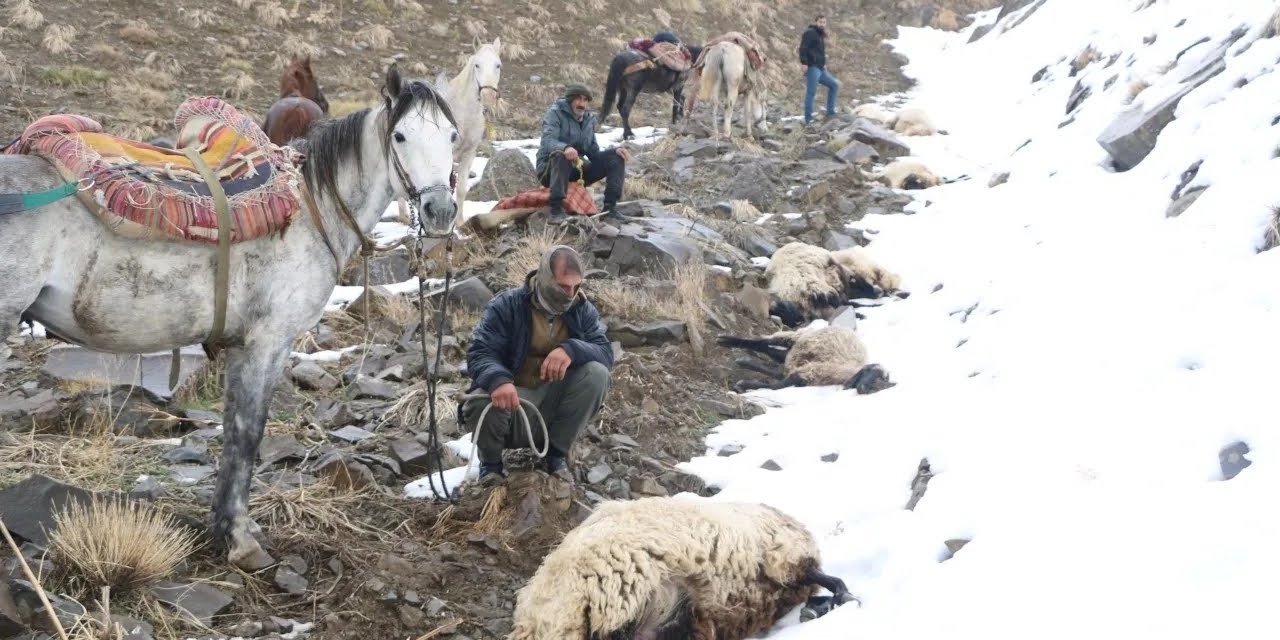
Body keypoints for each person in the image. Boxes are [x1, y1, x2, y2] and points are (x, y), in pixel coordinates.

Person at [462, 245, 615, 482]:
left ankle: (556, 456)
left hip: (553, 405)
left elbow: (605, 352)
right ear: (544, 277)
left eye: (576, 287)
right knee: (481, 400)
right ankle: (491, 465)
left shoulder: (582, 310)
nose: (570, 294)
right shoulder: (507, 306)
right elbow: (480, 351)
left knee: (597, 374)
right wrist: (498, 381)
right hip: (511, 404)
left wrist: (571, 349)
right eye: (563, 286)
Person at [535, 84, 632, 223]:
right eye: (578, 99)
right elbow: (548, 140)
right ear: (570, 100)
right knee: (561, 155)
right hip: (551, 169)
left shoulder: (588, 119)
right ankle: (555, 211)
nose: (582, 104)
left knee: (616, 157)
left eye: (585, 100)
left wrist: (613, 151)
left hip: (577, 170)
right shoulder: (554, 113)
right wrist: (565, 148)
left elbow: (593, 152)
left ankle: (610, 209)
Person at [799, 14, 840, 125]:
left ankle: (830, 112)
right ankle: (808, 119)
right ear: (816, 22)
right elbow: (803, 48)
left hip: (820, 68)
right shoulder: (810, 32)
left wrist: (823, 64)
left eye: (824, 22)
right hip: (812, 67)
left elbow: (819, 52)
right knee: (811, 92)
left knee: (834, 85)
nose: (822, 24)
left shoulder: (820, 34)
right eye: (820, 22)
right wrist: (804, 63)